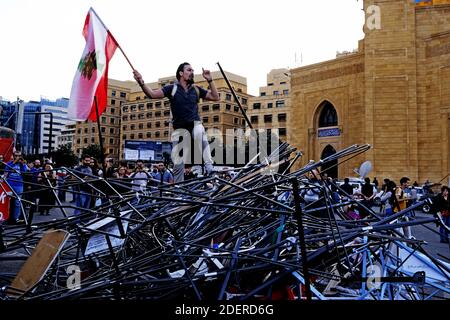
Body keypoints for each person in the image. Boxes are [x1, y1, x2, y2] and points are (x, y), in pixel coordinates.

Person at [133, 62, 220, 183]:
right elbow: (152, 94)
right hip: (180, 130)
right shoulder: (172, 89)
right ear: (181, 73)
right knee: (178, 165)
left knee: (200, 131)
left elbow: (215, 97)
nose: (192, 72)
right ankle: (179, 190)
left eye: (192, 70)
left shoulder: (196, 89)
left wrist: (210, 80)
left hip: (194, 124)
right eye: (189, 70)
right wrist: (141, 81)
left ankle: (209, 167)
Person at [5, 151, 28, 224]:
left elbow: (24, 173)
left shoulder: (23, 164)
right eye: (16, 155)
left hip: (19, 185)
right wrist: (14, 162)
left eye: (19, 155)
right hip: (9, 184)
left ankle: (15, 218)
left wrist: (22, 164)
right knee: (7, 202)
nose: (18, 157)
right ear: (13, 156)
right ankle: (6, 218)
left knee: (17, 202)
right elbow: (6, 173)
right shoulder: (9, 163)